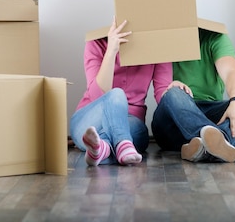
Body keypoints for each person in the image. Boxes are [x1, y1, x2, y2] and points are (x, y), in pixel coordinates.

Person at [151, 26, 235, 163]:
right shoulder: (163, 40)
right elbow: (161, 93)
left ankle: (207, 145)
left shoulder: (215, 37)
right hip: (174, 124)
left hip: (211, 113)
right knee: (173, 93)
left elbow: (230, 72)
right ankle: (218, 141)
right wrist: (172, 87)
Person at [70, 17, 173, 166]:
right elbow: (96, 95)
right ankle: (123, 144)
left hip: (130, 120)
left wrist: (174, 89)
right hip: (90, 118)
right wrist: (111, 51)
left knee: (139, 133)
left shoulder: (158, 47)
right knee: (117, 94)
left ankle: (101, 149)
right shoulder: (96, 42)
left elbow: (162, 94)